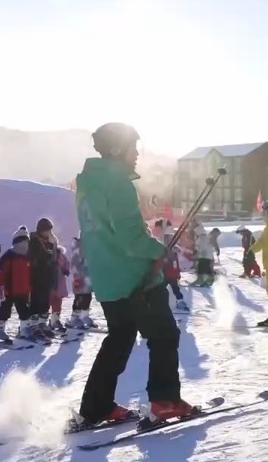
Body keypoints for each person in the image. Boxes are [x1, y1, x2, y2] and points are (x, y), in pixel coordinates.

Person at [72, 122, 191, 430]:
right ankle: (165, 401)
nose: (136, 154)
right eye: (132, 148)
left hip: (108, 280)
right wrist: (159, 251)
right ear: (116, 150)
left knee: (120, 339)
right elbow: (129, 237)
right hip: (136, 278)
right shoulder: (118, 183)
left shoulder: (87, 185)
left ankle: (96, 406)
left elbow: (103, 233)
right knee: (163, 336)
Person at [0, 226, 34, 341]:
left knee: (24, 311)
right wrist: (1, 286)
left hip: (23, 290)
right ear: (16, 242)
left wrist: (30, 286)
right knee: (5, 310)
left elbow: (31, 273)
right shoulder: (9, 256)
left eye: (26, 241)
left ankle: (24, 329)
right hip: (9, 289)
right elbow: (0, 272)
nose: (24, 245)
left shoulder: (28, 257)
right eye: (22, 241)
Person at [29, 218, 59, 338]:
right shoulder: (34, 241)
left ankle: (42, 323)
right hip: (36, 275)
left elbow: (51, 259)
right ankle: (34, 324)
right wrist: (45, 256)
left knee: (45, 301)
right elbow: (35, 258)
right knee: (36, 300)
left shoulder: (49, 242)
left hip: (47, 274)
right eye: (46, 230)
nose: (48, 233)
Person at [67, 234, 98, 329]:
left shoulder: (89, 247)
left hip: (88, 277)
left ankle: (84, 316)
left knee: (87, 297)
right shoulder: (78, 248)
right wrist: (79, 274)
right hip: (80, 278)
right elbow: (75, 264)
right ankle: (74, 318)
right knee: (79, 297)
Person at [163, 232, 189, 312]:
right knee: (166, 289)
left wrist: (177, 273)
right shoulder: (164, 251)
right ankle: (163, 303)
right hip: (166, 274)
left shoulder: (172, 254)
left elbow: (175, 265)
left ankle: (180, 301)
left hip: (170, 275)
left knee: (174, 289)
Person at [48, 244, 71, 332]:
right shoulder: (48, 255)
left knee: (57, 302)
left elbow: (66, 264)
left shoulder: (61, 255)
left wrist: (66, 270)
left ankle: (55, 320)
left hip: (59, 282)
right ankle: (42, 322)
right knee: (47, 302)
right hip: (50, 282)